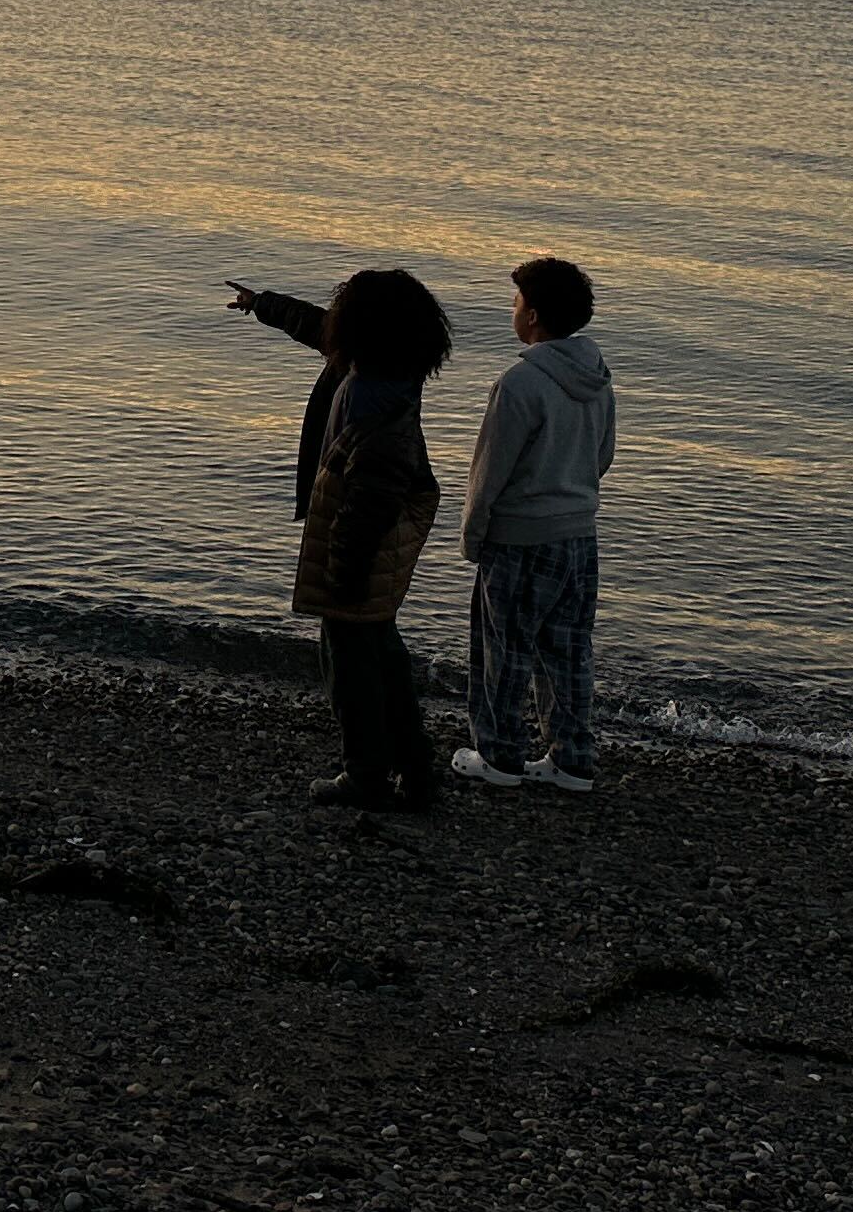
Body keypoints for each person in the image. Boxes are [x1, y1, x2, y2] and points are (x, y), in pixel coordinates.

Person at [228, 268, 450, 810]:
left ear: (364, 329)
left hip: (358, 547)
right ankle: (416, 773)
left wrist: (343, 567)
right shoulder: (383, 369)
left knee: (351, 664)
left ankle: (366, 775)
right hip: (368, 542)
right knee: (382, 653)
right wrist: (265, 304)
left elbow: (369, 498)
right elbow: (317, 326)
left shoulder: (371, 400)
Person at [446, 255, 613, 795]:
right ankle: (572, 758)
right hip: (579, 536)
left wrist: (473, 533)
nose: (512, 311)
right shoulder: (598, 377)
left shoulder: (521, 381)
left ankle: (497, 754)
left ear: (534, 315)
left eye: (516, 302)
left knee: (504, 649)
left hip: (521, 536)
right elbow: (603, 456)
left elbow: (490, 468)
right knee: (567, 651)